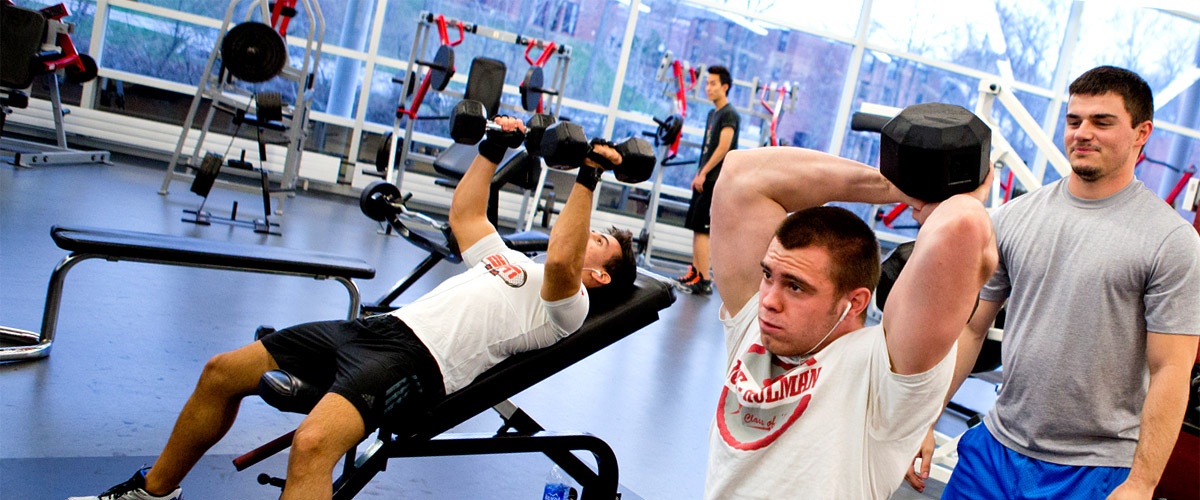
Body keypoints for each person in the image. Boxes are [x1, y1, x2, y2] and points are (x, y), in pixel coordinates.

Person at [69, 117, 639, 500]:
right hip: (377, 331)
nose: (586, 238)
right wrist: (492, 146)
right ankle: (152, 495)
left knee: (313, 444)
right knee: (223, 371)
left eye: (599, 242)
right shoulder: (512, 262)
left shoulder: (568, 303)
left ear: (599, 274)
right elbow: (467, 218)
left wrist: (589, 174)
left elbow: (564, 262)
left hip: (419, 368)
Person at [905, 66, 1200, 499]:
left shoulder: (1171, 241)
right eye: (1074, 120)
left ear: (1142, 133)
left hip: (1094, 469)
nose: (1083, 133)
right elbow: (970, 328)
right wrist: (924, 419)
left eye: (1102, 122)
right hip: (996, 449)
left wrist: (1142, 482)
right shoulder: (1014, 218)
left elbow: (1170, 369)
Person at [703, 144, 998, 498]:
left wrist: (954, 199)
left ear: (854, 302)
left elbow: (963, 223)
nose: (768, 300)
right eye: (769, 275)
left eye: (796, 287)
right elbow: (740, 174)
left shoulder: (884, 376)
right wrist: (898, 189)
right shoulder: (755, 327)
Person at [675, 65, 740, 295]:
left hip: (715, 180)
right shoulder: (713, 114)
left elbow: (724, 147)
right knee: (695, 226)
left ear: (725, 87)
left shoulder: (730, 114)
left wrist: (704, 173)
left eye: (713, 84)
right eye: (707, 83)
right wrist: (698, 173)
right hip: (704, 177)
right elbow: (707, 147)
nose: (708, 88)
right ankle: (695, 272)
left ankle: (704, 280)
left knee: (703, 229)